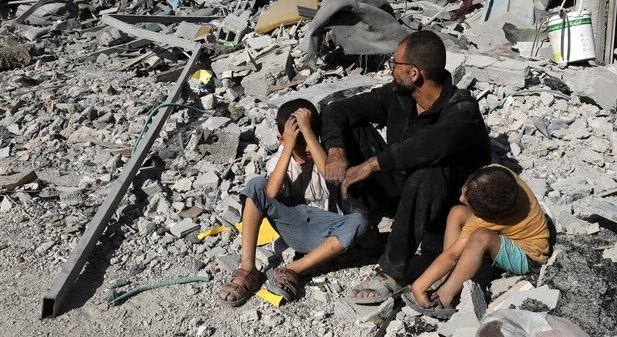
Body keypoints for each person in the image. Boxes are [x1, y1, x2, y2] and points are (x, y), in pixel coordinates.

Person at [319, 30, 491, 304]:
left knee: (427, 171)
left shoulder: (462, 110)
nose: (390, 70)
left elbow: (429, 146)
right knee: (352, 129)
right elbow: (336, 109)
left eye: (394, 64)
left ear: (414, 74)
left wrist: (372, 165)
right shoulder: (401, 97)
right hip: (404, 188)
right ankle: (364, 225)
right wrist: (336, 151)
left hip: (445, 204)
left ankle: (392, 271)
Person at [217, 99, 368, 306]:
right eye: (299, 142)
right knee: (256, 185)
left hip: (325, 233)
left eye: (310, 138)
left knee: (358, 221)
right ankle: (248, 268)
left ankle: (294, 269)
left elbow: (327, 171)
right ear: (283, 140)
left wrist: (307, 132)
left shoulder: (322, 153)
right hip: (294, 226)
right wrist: (288, 146)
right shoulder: (280, 159)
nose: (306, 148)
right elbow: (270, 191)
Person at [403, 164, 551, 318]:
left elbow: (453, 255)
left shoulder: (485, 221)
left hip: (529, 255)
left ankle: (446, 296)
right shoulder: (498, 173)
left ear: (484, 216)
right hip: (511, 231)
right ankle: (446, 277)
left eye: (468, 204)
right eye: (464, 191)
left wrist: (419, 286)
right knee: (457, 212)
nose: (461, 198)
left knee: (481, 237)